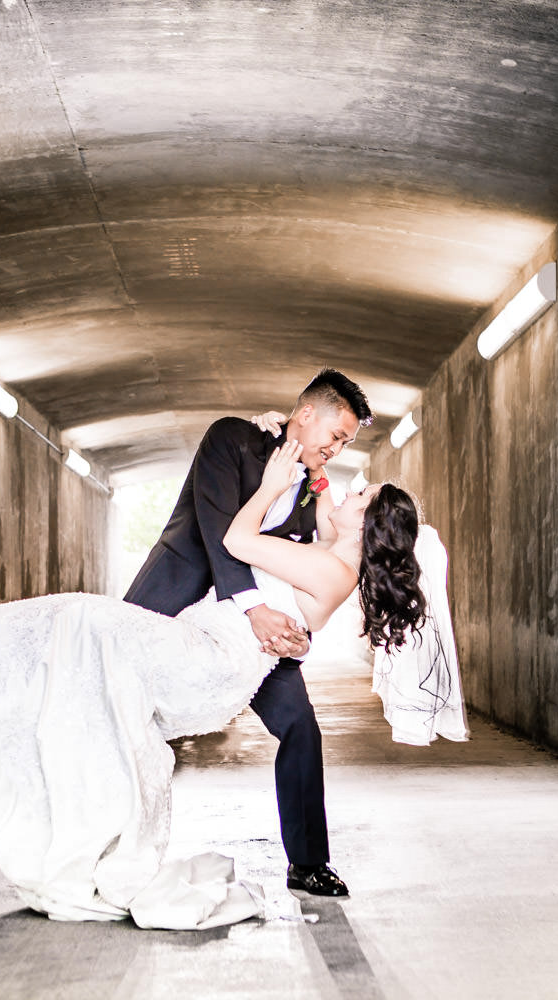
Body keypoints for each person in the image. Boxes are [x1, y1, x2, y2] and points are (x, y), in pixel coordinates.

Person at [0, 437, 428, 930]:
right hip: (199, 649)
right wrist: (274, 436)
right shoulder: (328, 554)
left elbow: (238, 540)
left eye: (362, 496)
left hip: (206, 663)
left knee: (81, 620)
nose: (350, 487)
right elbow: (295, 585)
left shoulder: (329, 567)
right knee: (71, 651)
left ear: (369, 526)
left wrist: (269, 485)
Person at [122, 369, 373, 898]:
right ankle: (109, 841)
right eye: (335, 435)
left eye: (347, 442)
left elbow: (312, 568)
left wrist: (299, 636)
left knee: (301, 726)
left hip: (254, 636)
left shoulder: (313, 484)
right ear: (306, 415)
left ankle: (307, 863)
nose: (338, 447)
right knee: (111, 692)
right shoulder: (231, 437)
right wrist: (254, 606)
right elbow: (217, 532)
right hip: (179, 596)